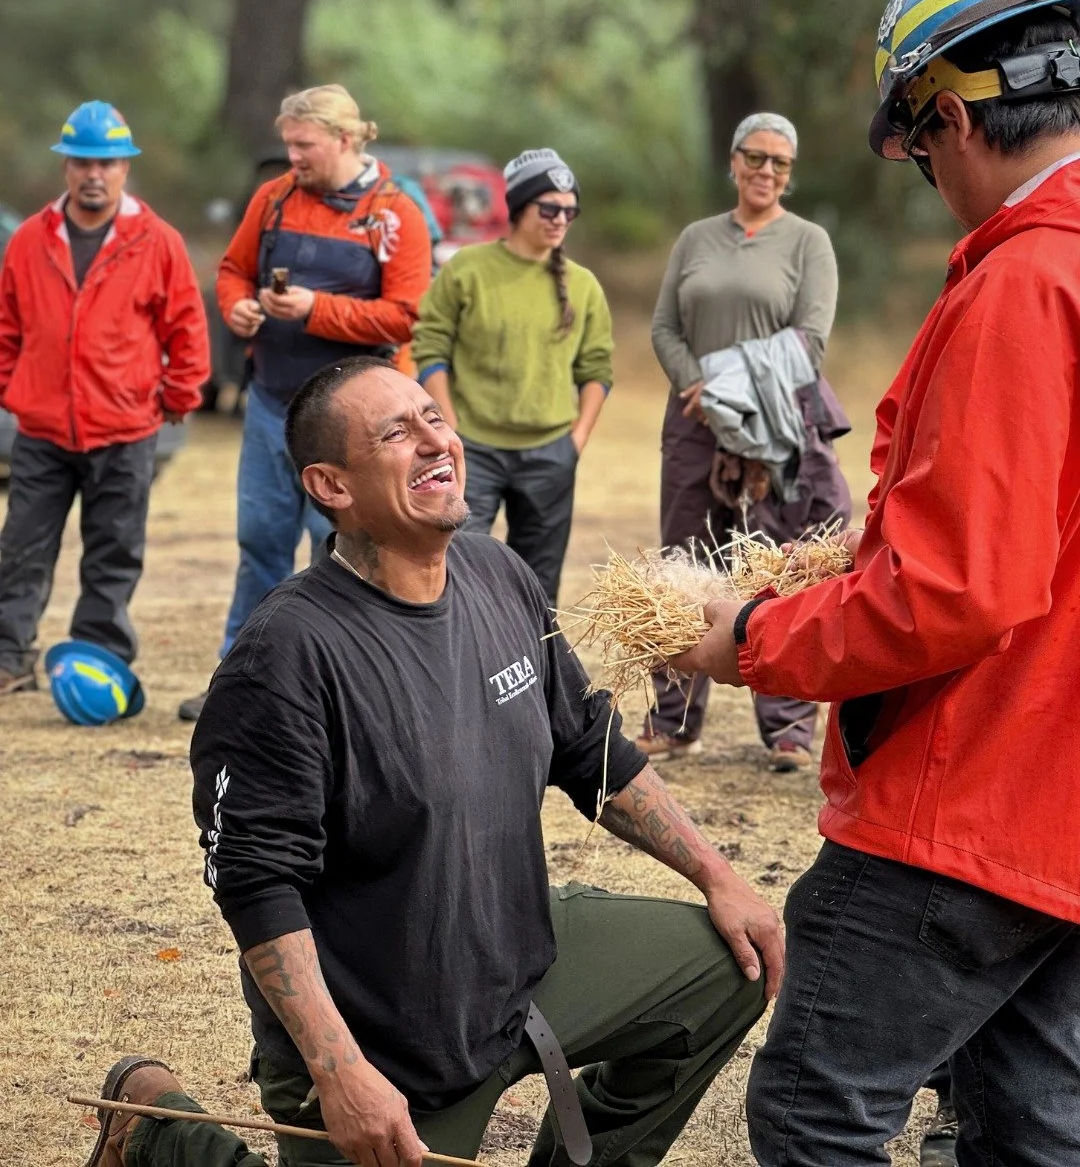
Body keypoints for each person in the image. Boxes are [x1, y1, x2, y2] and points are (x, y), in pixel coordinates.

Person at [84, 356, 782, 1167]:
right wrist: (339, 1070)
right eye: (396, 433)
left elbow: (588, 746)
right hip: (385, 1036)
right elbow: (256, 883)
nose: (433, 441)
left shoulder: (498, 574)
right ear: (331, 486)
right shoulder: (285, 657)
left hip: (520, 954)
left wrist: (717, 876)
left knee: (730, 967)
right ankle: (159, 1131)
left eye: (433, 418)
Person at [674, 0, 1080, 1165]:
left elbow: (959, 590)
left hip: (976, 791)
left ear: (950, 117)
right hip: (1061, 805)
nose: (929, 178)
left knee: (817, 1108)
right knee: (1032, 1128)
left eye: (918, 148)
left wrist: (748, 637)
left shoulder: (1025, 285)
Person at [177, 84, 431, 722]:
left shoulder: (395, 213)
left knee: (347, 552)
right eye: (288, 143)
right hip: (270, 405)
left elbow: (406, 316)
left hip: (356, 426)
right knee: (260, 543)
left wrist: (316, 309)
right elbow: (233, 270)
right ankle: (241, 683)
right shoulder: (274, 199)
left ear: (344, 139)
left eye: (303, 144)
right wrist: (237, 306)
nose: (292, 156)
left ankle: (354, 693)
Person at [644, 114, 850, 771]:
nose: (766, 171)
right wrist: (698, 387)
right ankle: (673, 722)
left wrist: (725, 385)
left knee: (774, 567)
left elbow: (808, 343)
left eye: (779, 162)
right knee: (685, 563)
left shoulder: (808, 242)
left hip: (773, 425)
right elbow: (664, 328)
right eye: (755, 157)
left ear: (790, 172)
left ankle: (788, 728)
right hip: (694, 422)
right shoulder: (697, 238)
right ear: (733, 162)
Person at [0, 101, 208, 693]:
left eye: (107, 163)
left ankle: (97, 659)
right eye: (83, 162)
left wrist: (177, 396)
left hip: (125, 429)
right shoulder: (29, 240)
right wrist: (14, 389)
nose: (95, 174)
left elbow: (187, 330)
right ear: (66, 166)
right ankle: (9, 656)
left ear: (124, 168)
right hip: (43, 431)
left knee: (113, 552)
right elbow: (6, 326)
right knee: (21, 547)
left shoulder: (158, 241)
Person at [411, 149, 613, 607]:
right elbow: (431, 347)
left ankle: (534, 655)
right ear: (519, 207)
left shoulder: (582, 285)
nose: (560, 219)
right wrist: (450, 427)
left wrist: (576, 440)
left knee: (539, 585)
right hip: (473, 448)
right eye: (550, 208)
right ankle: (464, 651)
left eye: (569, 211)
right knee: (455, 566)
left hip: (550, 453)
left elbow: (597, 368)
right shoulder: (468, 268)